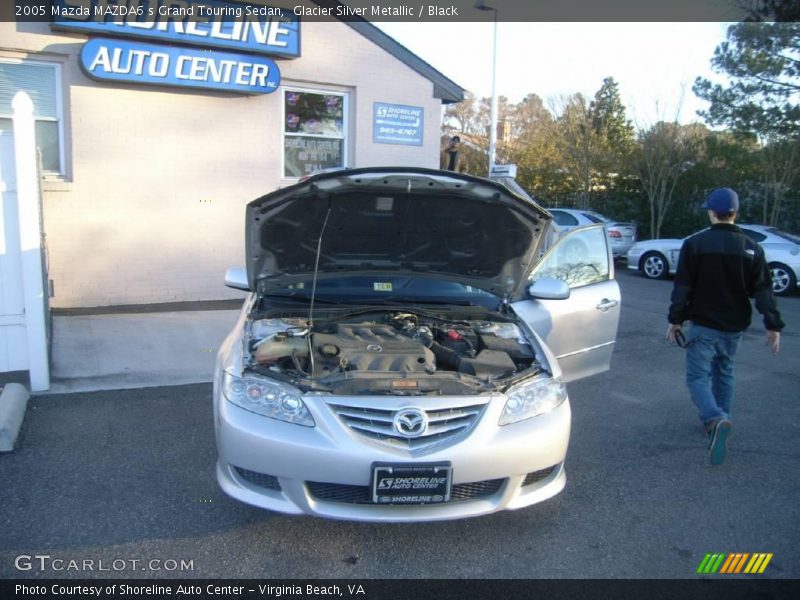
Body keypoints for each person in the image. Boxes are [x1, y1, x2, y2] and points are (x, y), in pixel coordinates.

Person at [666, 187, 784, 465]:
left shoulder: (695, 244)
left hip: (704, 325)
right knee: (725, 372)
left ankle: (715, 419)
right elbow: (764, 291)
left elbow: (683, 286)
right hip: (734, 328)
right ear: (735, 213)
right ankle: (721, 421)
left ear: (711, 212)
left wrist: (675, 319)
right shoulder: (752, 248)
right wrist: (773, 325)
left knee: (697, 377)